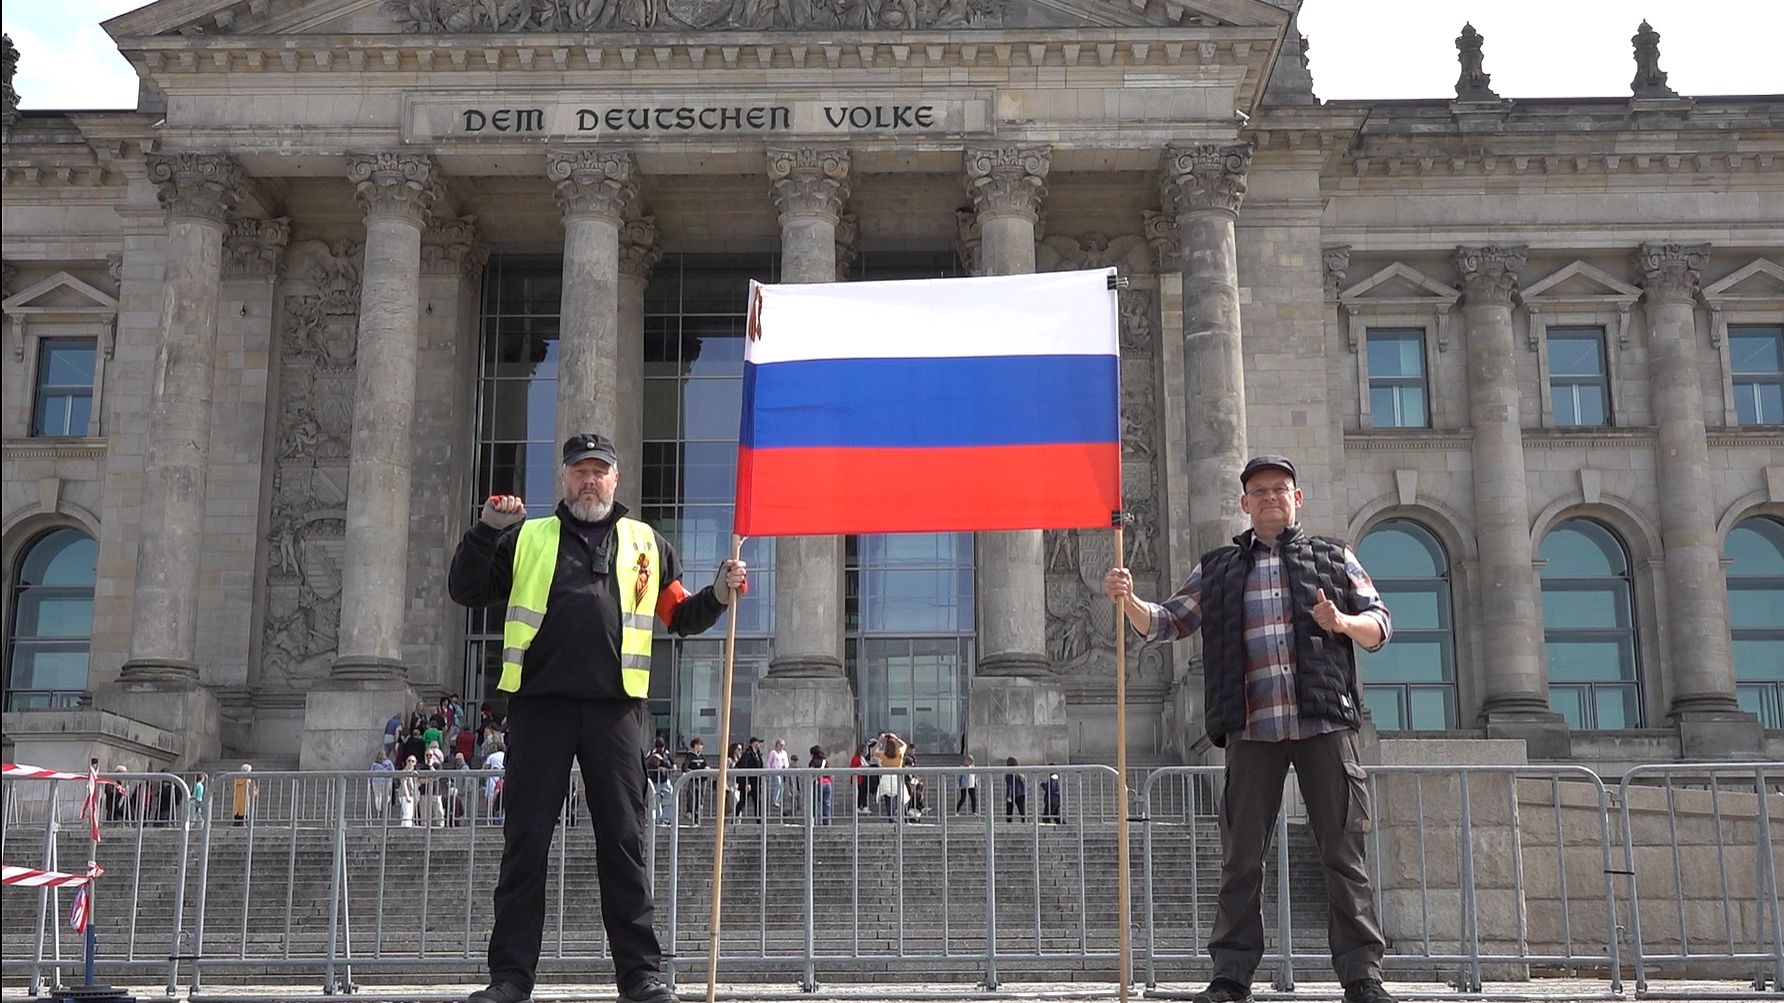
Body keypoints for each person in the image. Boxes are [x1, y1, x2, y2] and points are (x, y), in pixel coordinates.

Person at [449, 432, 746, 1003]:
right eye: (580, 470)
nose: (590, 480)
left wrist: (716, 594)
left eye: (600, 471)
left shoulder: (647, 544)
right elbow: (465, 589)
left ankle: (640, 976)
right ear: (564, 478)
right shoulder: (527, 537)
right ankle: (510, 978)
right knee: (525, 844)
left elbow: (678, 616)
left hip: (616, 713)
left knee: (624, 843)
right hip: (540, 707)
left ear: (616, 479)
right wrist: (486, 529)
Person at [1102, 454, 1396, 1003]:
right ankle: (1231, 978)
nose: (1269, 498)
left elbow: (1379, 624)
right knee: (1241, 858)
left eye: (1280, 489)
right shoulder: (1218, 568)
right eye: (1258, 491)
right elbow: (1167, 623)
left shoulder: (1335, 557)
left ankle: (1363, 978)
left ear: (1297, 498)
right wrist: (1130, 600)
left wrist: (1341, 623)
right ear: (1244, 504)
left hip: (1322, 724)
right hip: (1252, 730)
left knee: (1342, 852)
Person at [644, 738, 674, 827]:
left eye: (661, 746)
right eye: (658, 746)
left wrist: (663, 762)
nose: (660, 748)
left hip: (664, 780)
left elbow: (671, 765)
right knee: (656, 801)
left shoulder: (666, 754)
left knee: (669, 800)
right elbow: (646, 764)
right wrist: (657, 767)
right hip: (654, 781)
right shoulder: (651, 753)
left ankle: (665, 819)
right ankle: (657, 819)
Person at [681, 738, 709, 825]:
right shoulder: (690, 756)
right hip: (693, 780)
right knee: (692, 796)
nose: (700, 747)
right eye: (699, 745)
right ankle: (690, 812)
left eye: (701, 745)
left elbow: (705, 765)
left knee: (700, 799)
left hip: (702, 781)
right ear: (695, 745)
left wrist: (706, 769)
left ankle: (698, 818)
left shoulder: (702, 756)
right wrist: (689, 772)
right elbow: (685, 767)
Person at [737, 737, 766, 821]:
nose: (760, 744)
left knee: (758, 802)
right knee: (743, 801)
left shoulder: (757, 754)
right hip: (749, 782)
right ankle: (734, 818)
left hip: (756, 783)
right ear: (753, 743)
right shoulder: (748, 753)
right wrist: (747, 782)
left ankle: (759, 821)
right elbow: (744, 768)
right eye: (758, 742)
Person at [765, 738, 791, 819]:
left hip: (782, 771)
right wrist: (769, 770)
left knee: (782, 786)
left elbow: (786, 762)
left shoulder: (784, 753)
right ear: (777, 745)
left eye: (783, 746)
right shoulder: (773, 752)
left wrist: (786, 766)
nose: (781, 747)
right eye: (780, 745)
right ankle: (774, 800)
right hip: (775, 771)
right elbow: (769, 762)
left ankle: (778, 800)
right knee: (778, 783)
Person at [807, 746, 832, 826]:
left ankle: (813, 821)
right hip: (827, 784)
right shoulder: (825, 761)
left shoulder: (813, 762)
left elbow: (811, 774)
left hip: (818, 783)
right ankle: (827, 822)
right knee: (826, 804)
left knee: (814, 803)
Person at [370, 752, 395, 820]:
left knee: (378, 796)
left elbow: (371, 773)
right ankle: (384, 806)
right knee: (387, 796)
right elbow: (393, 771)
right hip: (387, 781)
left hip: (376, 781)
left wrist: (370, 782)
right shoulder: (389, 762)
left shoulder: (375, 764)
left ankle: (379, 810)